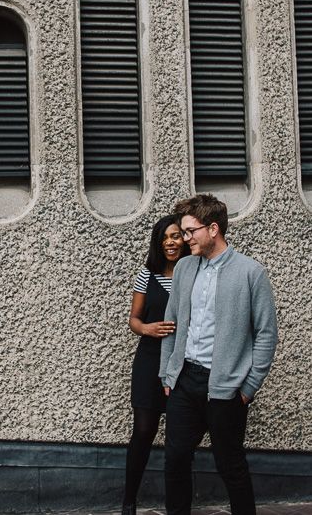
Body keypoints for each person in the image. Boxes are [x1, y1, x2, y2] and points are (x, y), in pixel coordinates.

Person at [160, 194, 278, 515]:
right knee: (175, 460)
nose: (185, 239)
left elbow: (266, 334)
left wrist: (248, 387)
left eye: (189, 232)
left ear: (213, 229)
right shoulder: (184, 268)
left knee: (231, 466)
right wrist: (167, 373)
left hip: (226, 388)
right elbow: (172, 322)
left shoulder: (251, 273)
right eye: (182, 232)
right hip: (185, 381)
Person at [122, 215, 189, 515]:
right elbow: (134, 319)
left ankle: (176, 504)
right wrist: (146, 329)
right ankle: (129, 499)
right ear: (158, 242)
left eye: (176, 236)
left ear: (184, 240)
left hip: (183, 361)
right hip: (149, 360)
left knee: (179, 436)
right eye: (164, 237)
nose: (170, 242)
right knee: (144, 431)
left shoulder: (194, 273)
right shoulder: (146, 275)